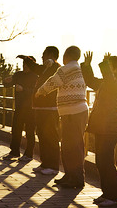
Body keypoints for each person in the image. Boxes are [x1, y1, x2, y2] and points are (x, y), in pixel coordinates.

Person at [81, 51, 117, 206]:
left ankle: (114, 197)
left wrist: (104, 65)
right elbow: (90, 81)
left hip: (111, 127)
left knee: (106, 161)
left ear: (116, 68)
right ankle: (107, 193)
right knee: (100, 161)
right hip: (102, 125)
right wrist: (87, 65)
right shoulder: (108, 81)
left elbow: (111, 82)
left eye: (110, 66)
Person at [35, 45, 89, 189]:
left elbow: (53, 82)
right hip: (76, 111)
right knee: (71, 145)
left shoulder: (66, 69)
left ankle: (76, 178)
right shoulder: (78, 68)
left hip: (73, 112)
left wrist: (40, 92)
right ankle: (70, 175)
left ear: (68, 55)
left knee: (72, 146)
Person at [24, 47, 61, 175]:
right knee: (42, 136)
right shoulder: (46, 68)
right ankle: (45, 163)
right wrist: (27, 60)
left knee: (51, 137)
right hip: (40, 107)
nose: (42, 57)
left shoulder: (56, 68)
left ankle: (53, 166)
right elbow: (37, 68)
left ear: (51, 55)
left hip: (50, 108)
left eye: (44, 55)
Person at [3, 55, 38, 161]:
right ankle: (14, 152)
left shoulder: (36, 76)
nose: (24, 67)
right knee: (16, 130)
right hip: (19, 107)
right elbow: (7, 85)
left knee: (30, 132)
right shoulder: (18, 75)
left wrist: (23, 89)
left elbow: (35, 92)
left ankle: (28, 154)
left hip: (31, 108)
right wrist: (6, 81)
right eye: (23, 65)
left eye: (27, 65)